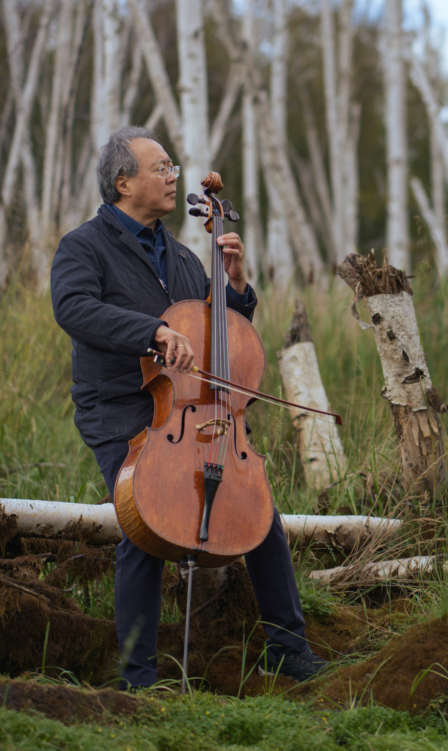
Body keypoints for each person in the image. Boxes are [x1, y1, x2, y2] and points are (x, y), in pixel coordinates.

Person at [50, 125, 324, 688]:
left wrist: (235, 285)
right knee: (144, 519)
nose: (174, 175)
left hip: (192, 409)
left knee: (260, 513)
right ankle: (137, 676)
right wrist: (150, 330)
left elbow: (218, 334)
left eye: (174, 166)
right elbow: (74, 309)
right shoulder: (84, 246)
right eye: (162, 167)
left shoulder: (181, 257)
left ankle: (288, 649)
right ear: (124, 183)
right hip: (122, 407)